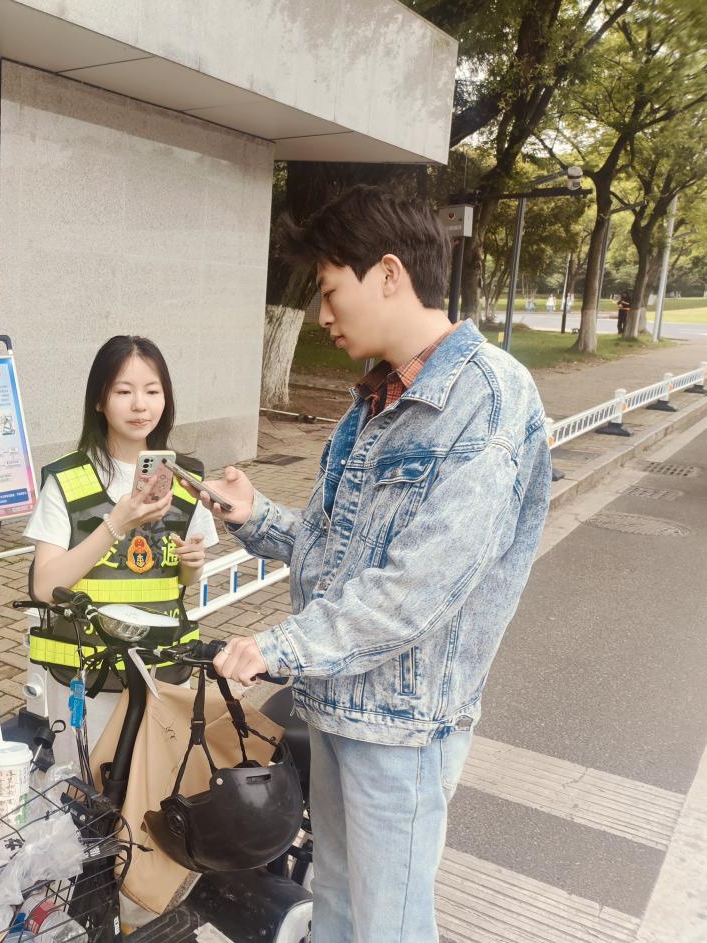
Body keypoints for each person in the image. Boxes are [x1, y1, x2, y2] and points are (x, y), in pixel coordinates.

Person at [199, 186, 552, 942]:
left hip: (401, 730)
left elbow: (417, 588)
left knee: (388, 925)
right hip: (338, 705)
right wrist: (256, 515)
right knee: (337, 904)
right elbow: (342, 553)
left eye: (330, 291)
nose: (323, 315)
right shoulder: (375, 400)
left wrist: (277, 645)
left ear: (389, 274)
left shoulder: (487, 398)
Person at [23, 336, 220, 757]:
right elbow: (44, 587)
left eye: (152, 391)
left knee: (157, 784)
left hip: (163, 669)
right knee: (86, 784)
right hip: (86, 674)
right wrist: (117, 524)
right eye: (124, 391)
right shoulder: (66, 480)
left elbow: (183, 580)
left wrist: (193, 563)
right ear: (99, 400)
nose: (140, 405)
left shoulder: (186, 481)